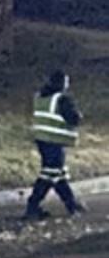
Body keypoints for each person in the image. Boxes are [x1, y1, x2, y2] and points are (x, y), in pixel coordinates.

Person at [24, 69, 87, 219]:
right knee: (50, 174)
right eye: (66, 82)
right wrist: (79, 115)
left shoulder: (41, 97)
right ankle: (32, 207)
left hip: (43, 140)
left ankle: (71, 204)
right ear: (61, 83)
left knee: (58, 174)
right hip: (55, 142)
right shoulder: (62, 99)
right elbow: (74, 118)